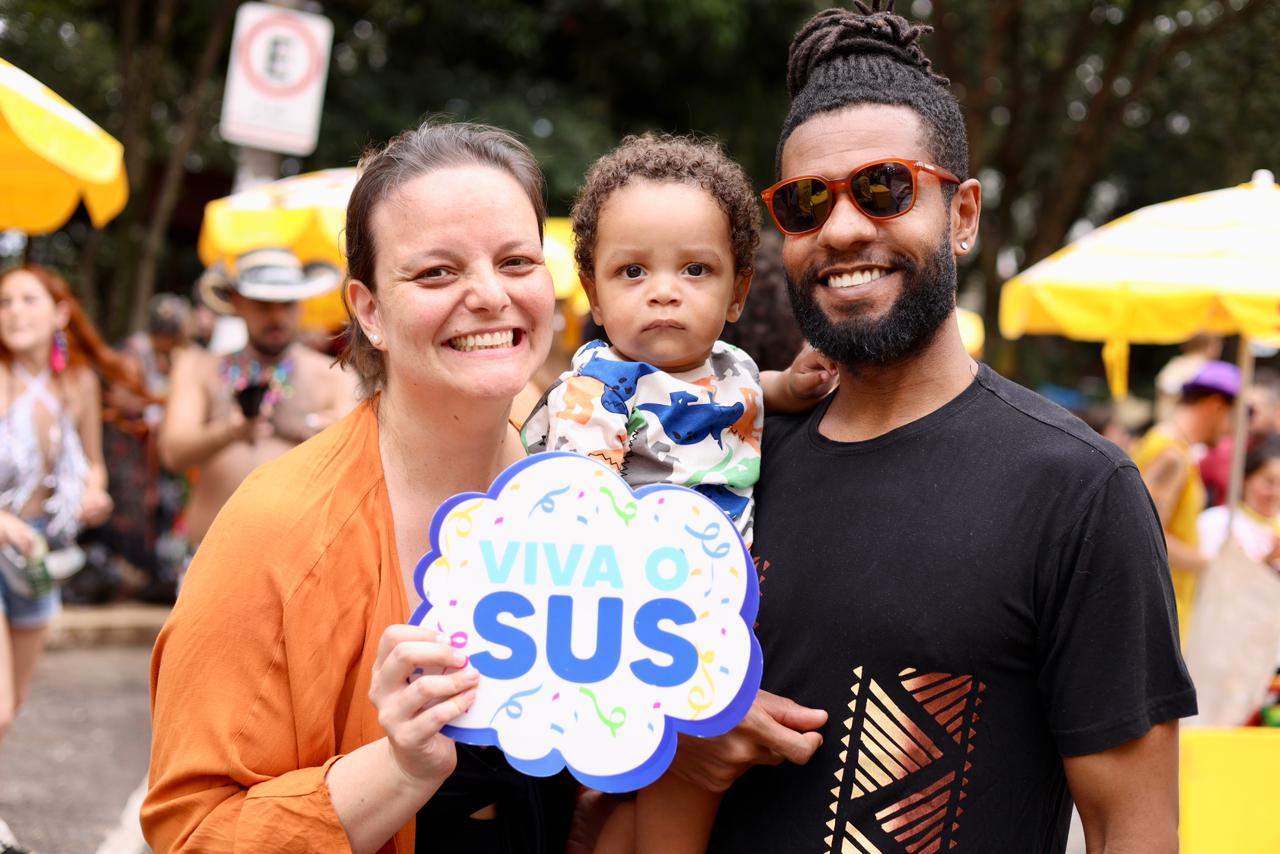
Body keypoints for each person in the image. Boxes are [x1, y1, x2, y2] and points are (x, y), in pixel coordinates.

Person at [666, 5, 1194, 852]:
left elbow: (1133, 828)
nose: (841, 229)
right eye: (805, 204)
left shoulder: (1077, 492)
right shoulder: (721, 469)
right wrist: (687, 752)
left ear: (964, 215)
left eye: (884, 188)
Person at [144, 121, 580, 853]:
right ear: (369, 310)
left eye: (515, 261)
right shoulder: (276, 526)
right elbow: (193, 830)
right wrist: (401, 768)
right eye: (437, 272)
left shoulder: (590, 486)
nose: (488, 295)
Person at [521, 133, 833, 854]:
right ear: (594, 292)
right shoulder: (599, 387)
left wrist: (799, 385)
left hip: (715, 600)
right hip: (637, 610)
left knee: (663, 791)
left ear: (737, 293)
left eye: (696, 269)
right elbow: (582, 496)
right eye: (633, 271)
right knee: (677, 795)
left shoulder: (732, 367)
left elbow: (760, 393)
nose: (664, 290)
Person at [0, 264, 142, 852]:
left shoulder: (77, 383)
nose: (13, 311)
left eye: (28, 300)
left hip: (39, 554)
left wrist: (94, 492)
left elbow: (94, 461)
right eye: (4, 301)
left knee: (15, 703)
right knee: (0, 706)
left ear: (60, 313)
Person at [157, 249, 358, 566]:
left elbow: (361, 463)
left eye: (288, 304)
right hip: (210, 561)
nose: (277, 317)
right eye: (264, 305)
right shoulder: (199, 368)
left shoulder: (333, 376)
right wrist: (230, 431)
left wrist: (326, 435)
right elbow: (173, 453)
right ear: (236, 302)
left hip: (303, 562)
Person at [1132, 360, 1239, 642]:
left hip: (1163, 608)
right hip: (1161, 613)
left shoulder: (1171, 447)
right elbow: (1148, 536)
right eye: (1232, 418)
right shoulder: (1171, 454)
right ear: (1216, 406)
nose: (1230, 431)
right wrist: (1212, 565)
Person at [1197, 436, 1280, 570]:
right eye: (1269, 482)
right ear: (1245, 480)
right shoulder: (1217, 522)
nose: (1276, 492)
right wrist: (1267, 561)